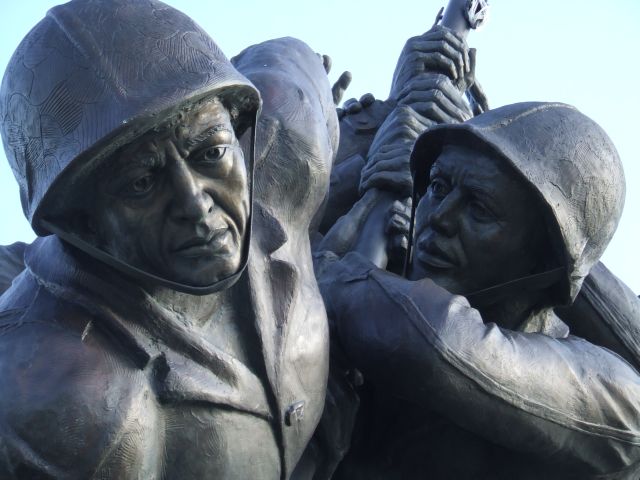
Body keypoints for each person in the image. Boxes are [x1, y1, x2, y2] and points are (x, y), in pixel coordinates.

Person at [0, 1, 339, 478]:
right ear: (81, 223)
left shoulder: (292, 149)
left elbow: (290, 60)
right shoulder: (60, 400)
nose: (194, 203)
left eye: (211, 152)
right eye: (141, 182)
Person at [317, 102, 640, 479]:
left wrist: (329, 272)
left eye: (480, 209)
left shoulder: (615, 397)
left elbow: (437, 344)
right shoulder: (389, 282)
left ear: (545, 262)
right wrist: (368, 162)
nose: (438, 217)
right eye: (438, 187)